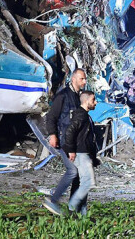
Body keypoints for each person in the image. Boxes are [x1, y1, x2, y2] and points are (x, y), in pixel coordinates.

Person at [43, 69, 87, 215]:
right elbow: (51, 117)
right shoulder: (62, 96)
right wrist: (52, 135)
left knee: (79, 174)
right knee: (72, 171)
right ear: (73, 79)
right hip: (64, 141)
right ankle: (53, 199)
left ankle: (75, 208)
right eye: (82, 79)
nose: (84, 82)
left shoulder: (77, 97)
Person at [61, 90, 100, 216]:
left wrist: (93, 157)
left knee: (80, 184)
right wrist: (71, 150)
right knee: (88, 182)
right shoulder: (81, 115)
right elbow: (69, 132)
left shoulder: (85, 115)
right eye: (93, 100)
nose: (96, 102)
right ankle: (71, 209)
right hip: (81, 154)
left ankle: (82, 216)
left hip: (84, 153)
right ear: (86, 100)